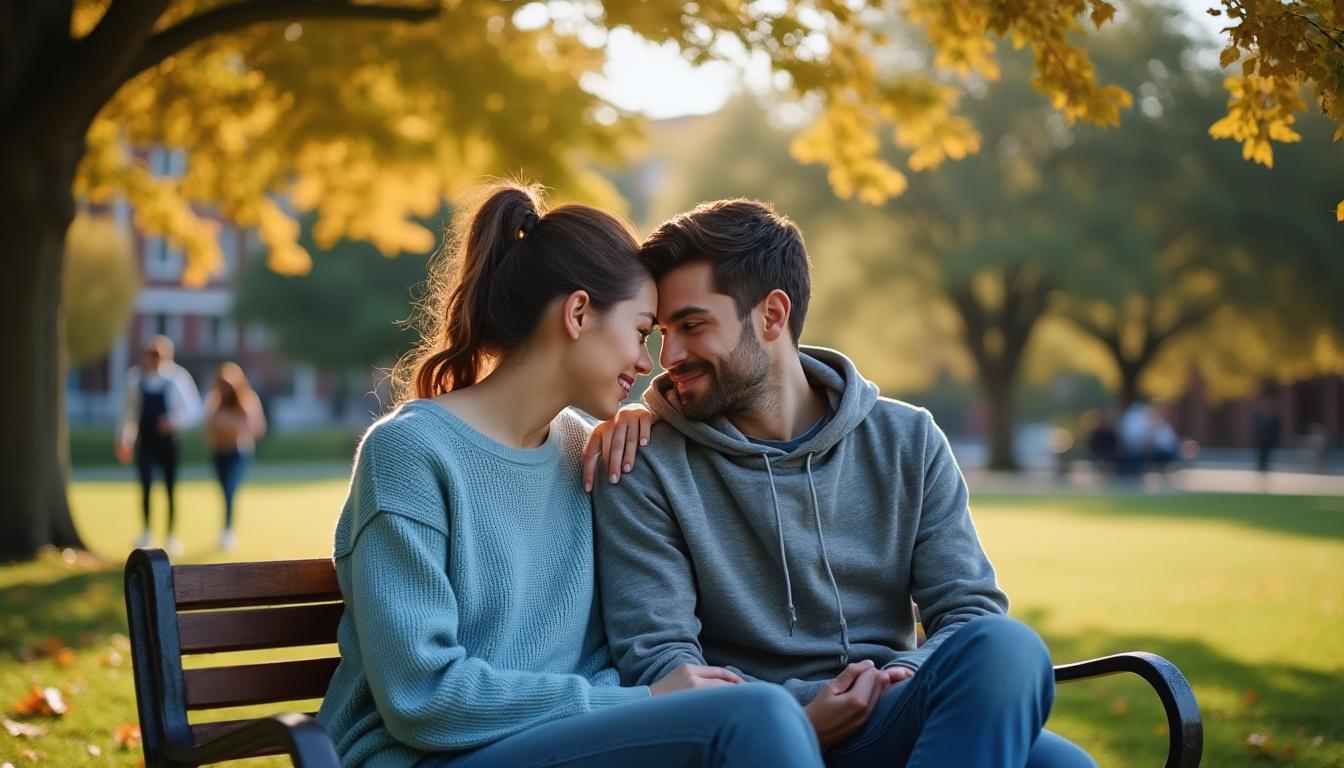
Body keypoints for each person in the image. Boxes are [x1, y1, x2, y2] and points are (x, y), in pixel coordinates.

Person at [315, 184, 823, 768]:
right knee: (753, 717)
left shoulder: (586, 452)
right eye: (640, 332)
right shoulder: (411, 454)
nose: (647, 362)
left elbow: (602, 655)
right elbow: (423, 698)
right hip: (425, 757)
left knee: (758, 712)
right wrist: (643, 702)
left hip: (566, 747)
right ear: (578, 313)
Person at [593, 199, 1097, 766]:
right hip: (759, 735)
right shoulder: (642, 459)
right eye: (662, 333)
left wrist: (899, 678)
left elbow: (969, 610)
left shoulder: (908, 440)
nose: (671, 356)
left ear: (772, 315)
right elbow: (660, 660)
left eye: (691, 325)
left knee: (1015, 658)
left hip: (898, 706)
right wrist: (799, 714)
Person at [117, 334, 202, 555]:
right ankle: (146, 531)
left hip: (168, 442)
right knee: (145, 486)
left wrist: (173, 422)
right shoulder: (136, 379)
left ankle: (171, 535)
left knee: (170, 488)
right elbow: (130, 414)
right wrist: (125, 439)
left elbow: (194, 410)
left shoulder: (177, 379)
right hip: (146, 442)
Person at [203, 362, 267, 551]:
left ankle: (228, 531)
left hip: (238, 452)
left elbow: (258, 427)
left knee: (230, 489)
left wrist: (232, 425)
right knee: (223, 491)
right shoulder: (214, 400)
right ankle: (225, 528)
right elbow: (206, 426)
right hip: (219, 451)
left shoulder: (247, 399)